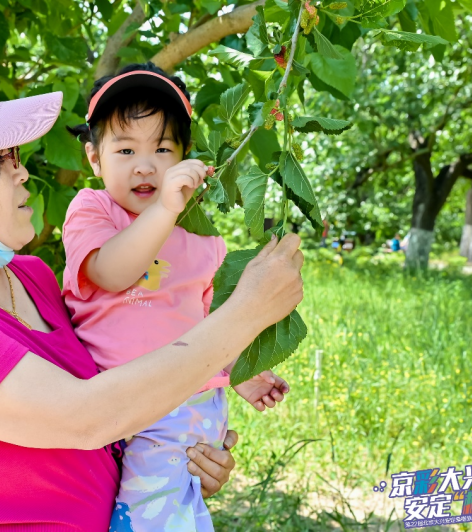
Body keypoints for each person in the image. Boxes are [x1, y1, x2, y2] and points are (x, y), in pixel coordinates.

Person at [0, 81, 304, 531]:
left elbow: (117, 405)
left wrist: (176, 461)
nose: (23, 171)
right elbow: (87, 417)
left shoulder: (31, 277)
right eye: (1, 158)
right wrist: (244, 315)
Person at [63, 63, 289, 531]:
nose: (145, 165)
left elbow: (210, 326)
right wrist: (166, 207)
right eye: (125, 150)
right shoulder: (93, 210)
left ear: (186, 158)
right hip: (117, 403)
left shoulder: (202, 242)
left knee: (154, 518)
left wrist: (241, 372)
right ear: (94, 158)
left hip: (176, 405)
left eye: (163, 149)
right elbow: (110, 272)